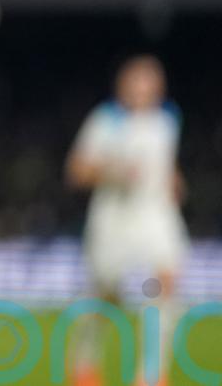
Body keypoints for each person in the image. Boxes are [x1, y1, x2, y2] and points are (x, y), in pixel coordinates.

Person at [65, 55, 187, 386]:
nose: (143, 89)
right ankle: (85, 366)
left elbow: (162, 162)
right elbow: (76, 170)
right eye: (137, 82)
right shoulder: (105, 120)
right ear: (123, 86)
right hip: (113, 220)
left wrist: (174, 181)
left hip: (155, 216)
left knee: (164, 283)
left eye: (150, 82)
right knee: (106, 295)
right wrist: (111, 172)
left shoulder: (167, 119)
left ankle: (151, 374)